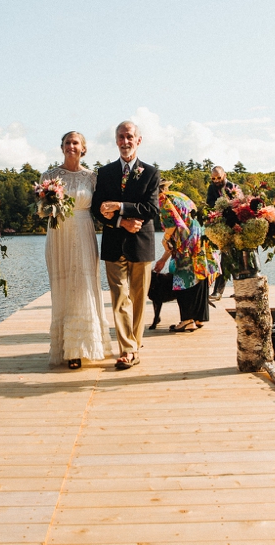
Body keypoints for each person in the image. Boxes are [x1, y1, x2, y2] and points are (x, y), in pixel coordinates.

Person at [91, 121, 160, 370]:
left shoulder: (151, 172)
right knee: (120, 297)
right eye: (121, 137)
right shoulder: (105, 172)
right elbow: (97, 209)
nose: (125, 141)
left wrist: (120, 207)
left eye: (129, 136)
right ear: (116, 140)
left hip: (142, 243)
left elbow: (152, 208)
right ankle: (128, 349)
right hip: (113, 242)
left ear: (138, 140)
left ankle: (135, 343)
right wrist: (122, 222)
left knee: (139, 298)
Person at [43, 131, 113, 370]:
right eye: (67, 143)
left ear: (83, 148)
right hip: (58, 233)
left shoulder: (92, 177)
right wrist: (48, 204)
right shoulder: (49, 176)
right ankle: (68, 349)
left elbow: (101, 208)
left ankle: (85, 346)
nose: (71, 146)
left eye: (75, 143)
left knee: (84, 286)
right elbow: (40, 210)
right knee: (63, 286)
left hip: (84, 230)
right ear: (61, 146)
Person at [154, 180, 217, 331]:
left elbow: (172, 226)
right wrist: (163, 259)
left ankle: (187, 319)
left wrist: (165, 240)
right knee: (199, 275)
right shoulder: (181, 196)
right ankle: (199, 318)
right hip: (199, 238)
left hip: (186, 243)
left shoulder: (163, 200)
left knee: (182, 278)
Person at [206, 166, 238, 300]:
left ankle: (222, 291)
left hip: (236, 224)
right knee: (226, 258)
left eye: (218, 177)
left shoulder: (233, 187)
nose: (216, 180)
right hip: (221, 225)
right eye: (213, 178)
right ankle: (218, 291)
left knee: (235, 259)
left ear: (224, 175)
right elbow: (210, 203)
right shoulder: (211, 188)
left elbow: (238, 204)